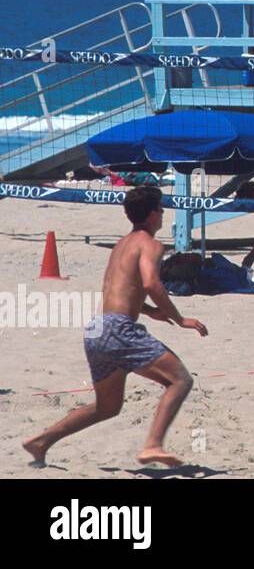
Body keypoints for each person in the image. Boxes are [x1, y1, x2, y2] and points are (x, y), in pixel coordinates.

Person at [23, 186, 208, 468]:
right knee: (180, 380)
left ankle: (41, 441)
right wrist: (179, 319)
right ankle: (153, 445)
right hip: (119, 330)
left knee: (107, 407)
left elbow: (117, 289)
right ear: (150, 214)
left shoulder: (122, 244)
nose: (163, 213)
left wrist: (146, 310)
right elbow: (150, 283)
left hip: (98, 329)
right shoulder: (150, 244)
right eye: (160, 208)